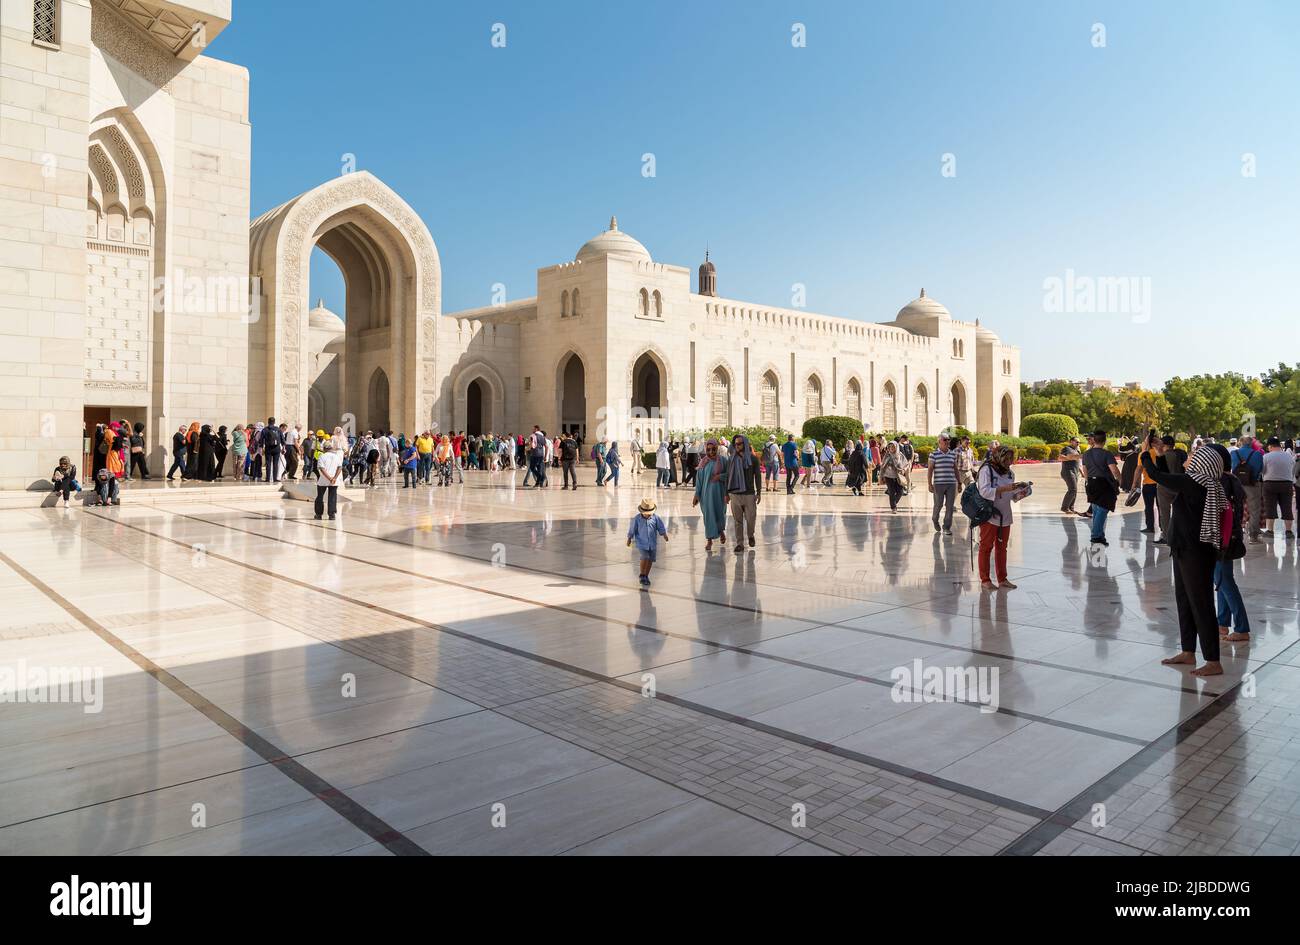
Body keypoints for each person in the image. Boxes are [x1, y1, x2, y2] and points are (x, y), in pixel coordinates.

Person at [1140, 446, 1227, 677]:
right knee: (1184, 600)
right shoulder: (1203, 482)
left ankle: (1213, 661)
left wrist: (1145, 456)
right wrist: (1158, 455)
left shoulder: (1196, 482)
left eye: (1191, 457)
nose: (1187, 459)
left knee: (1201, 603)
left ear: (1202, 462)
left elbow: (1159, 477)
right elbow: (1168, 475)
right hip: (1185, 549)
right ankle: (1188, 651)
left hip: (1195, 552)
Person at [1208, 443, 1250, 644]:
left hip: (1218, 538)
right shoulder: (1232, 479)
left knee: (1225, 581)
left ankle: (1242, 628)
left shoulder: (1217, 482)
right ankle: (1222, 623)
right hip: (1231, 536)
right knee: (1222, 580)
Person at [976, 445, 1027, 591]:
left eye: (1012, 458)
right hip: (989, 515)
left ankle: (1002, 579)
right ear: (999, 456)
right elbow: (984, 491)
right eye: (1007, 458)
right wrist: (1006, 488)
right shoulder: (987, 469)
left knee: (1002, 548)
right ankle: (985, 579)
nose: (1010, 461)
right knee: (986, 547)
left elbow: (1012, 496)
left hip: (1005, 515)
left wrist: (1022, 492)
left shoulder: (1010, 473)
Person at [1082, 430, 1120, 546]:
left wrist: (1088, 482)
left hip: (1091, 483)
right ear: (1104, 441)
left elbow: (1085, 470)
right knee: (1103, 509)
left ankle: (1100, 535)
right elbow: (1114, 471)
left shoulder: (1086, 454)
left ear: (1094, 440)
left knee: (1096, 509)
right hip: (1104, 484)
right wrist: (1120, 481)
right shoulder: (1107, 454)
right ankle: (1096, 536)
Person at [725, 434, 761, 552]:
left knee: (751, 518)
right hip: (735, 493)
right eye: (735, 444)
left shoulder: (753, 459)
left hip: (749, 494)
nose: (737, 446)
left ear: (745, 444)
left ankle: (750, 535)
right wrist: (726, 493)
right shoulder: (731, 459)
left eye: (739, 444)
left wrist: (759, 492)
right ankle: (739, 543)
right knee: (737, 521)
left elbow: (758, 476)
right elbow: (728, 476)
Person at [692, 438, 727, 551]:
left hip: (720, 494)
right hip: (706, 495)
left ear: (717, 449)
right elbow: (699, 481)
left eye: (713, 449)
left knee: (720, 514)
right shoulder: (703, 462)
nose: (711, 452)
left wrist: (719, 477)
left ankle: (721, 531)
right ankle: (709, 540)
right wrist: (696, 495)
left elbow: (729, 476)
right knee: (708, 517)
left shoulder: (723, 461)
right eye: (708, 450)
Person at [1229, 436, 1264, 543]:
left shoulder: (1234, 454)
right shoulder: (1257, 454)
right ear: (1251, 443)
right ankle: (1253, 536)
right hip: (1252, 484)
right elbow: (1260, 469)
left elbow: (1232, 467)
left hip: (1237, 485)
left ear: (1240, 443)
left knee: (1236, 509)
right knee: (1254, 510)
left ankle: (1235, 533)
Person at [627, 498, 668, 588]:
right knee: (645, 556)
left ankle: (646, 575)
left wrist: (664, 534)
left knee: (650, 559)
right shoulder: (637, 519)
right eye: (645, 514)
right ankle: (642, 574)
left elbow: (660, 526)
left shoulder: (656, 518)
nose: (647, 515)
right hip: (642, 542)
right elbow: (632, 528)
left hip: (652, 543)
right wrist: (629, 538)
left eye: (649, 514)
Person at [1260, 436, 1295, 539]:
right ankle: (1288, 531)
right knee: (1287, 507)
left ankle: (1270, 531)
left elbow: (1262, 471)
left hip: (1270, 484)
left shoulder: (1266, 457)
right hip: (1287, 483)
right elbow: (1292, 470)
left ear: (1270, 446)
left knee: (1270, 507)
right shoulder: (1289, 456)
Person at [1153, 435, 1186, 544]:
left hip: (1164, 487)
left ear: (1164, 445)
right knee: (1179, 512)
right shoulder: (1180, 454)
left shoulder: (1163, 456)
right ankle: (1180, 535)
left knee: (1164, 512)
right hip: (1179, 485)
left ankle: (1166, 537)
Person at [928, 433, 959, 534]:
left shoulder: (953, 454)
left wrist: (959, 482)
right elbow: (930, 470)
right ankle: (934, 518)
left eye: (948, 440)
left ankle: (946, 527)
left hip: (951, 484)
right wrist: (929, 484)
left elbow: (955, 469)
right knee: (938, 505)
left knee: (950, 506)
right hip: (939, 484)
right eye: (945, 440)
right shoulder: (933, 454)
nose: (947, 441)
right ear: (939, 441)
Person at [314, 438, 343, 520]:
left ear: (324, 448)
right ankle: (332, 514)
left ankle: (319, 514)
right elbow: (340, 467)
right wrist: (334, 478)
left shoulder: (322, 456)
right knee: (332, 497)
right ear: (331, 448)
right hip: (334, 481)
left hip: (323, 480)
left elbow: (322, 469)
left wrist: (329, 478)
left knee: (320, 497)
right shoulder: (336, 457)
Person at [1058, 436, 1082, 513]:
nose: (1078, 443)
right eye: (1076, 441)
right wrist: (1070, 458)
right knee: (1072, 489)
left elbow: (1077, 462)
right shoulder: (1067, 448)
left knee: (1074, 490)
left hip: (1075, 472)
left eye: (1079, 442)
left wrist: (1082, 472)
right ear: (1071, 441)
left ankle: (1071, 508)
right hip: (1068, 471)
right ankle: (1064, 508)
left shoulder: (1077, 450)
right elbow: (1060, 458)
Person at [880, 441, 905, 511]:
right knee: (892, 492)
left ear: (896, 447)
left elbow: (906, 464)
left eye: (893, 447)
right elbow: (882, 466)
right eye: (890, 447)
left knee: (900, 492)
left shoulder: (900, 455)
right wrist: (881, 477)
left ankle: (894, 503)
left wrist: (903, 469)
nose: (892, 448)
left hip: (898, 476)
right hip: (888, 476)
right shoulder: (887, 455)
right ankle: (893, 507)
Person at [260, 417, 283, 483]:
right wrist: (283, 447)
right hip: (277, 448)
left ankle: (268, 479)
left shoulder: (265, 429)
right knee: (275, 464)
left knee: (268, 463)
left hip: (268, 448)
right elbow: (282, 439)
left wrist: (262, 448)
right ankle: (275, 479)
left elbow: (261, 440)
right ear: (274, 422)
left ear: (268, 422)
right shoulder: (278, 429)